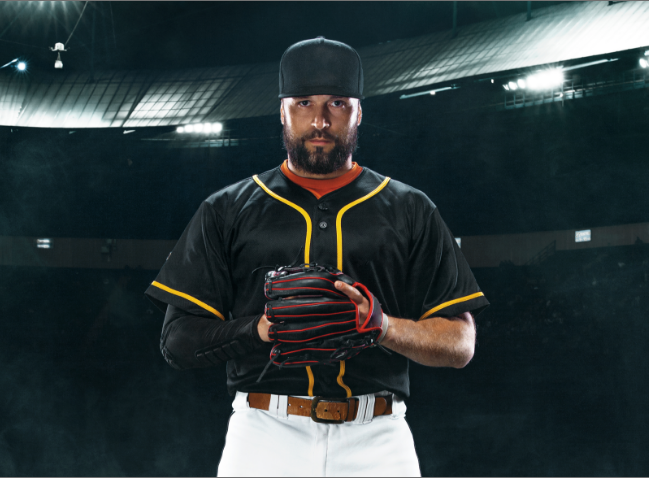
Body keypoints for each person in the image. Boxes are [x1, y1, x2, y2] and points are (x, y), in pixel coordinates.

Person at [145, 37, 489, 477]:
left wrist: (381, 326)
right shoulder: (227, 209)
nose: (321, 120)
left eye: (339, 104)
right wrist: (261, 330)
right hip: (265, 433)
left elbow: (460, 344)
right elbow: (177, 341)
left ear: (359, 112)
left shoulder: (410, 208)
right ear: (283, 109)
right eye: (305, 102)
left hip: (377, 435)